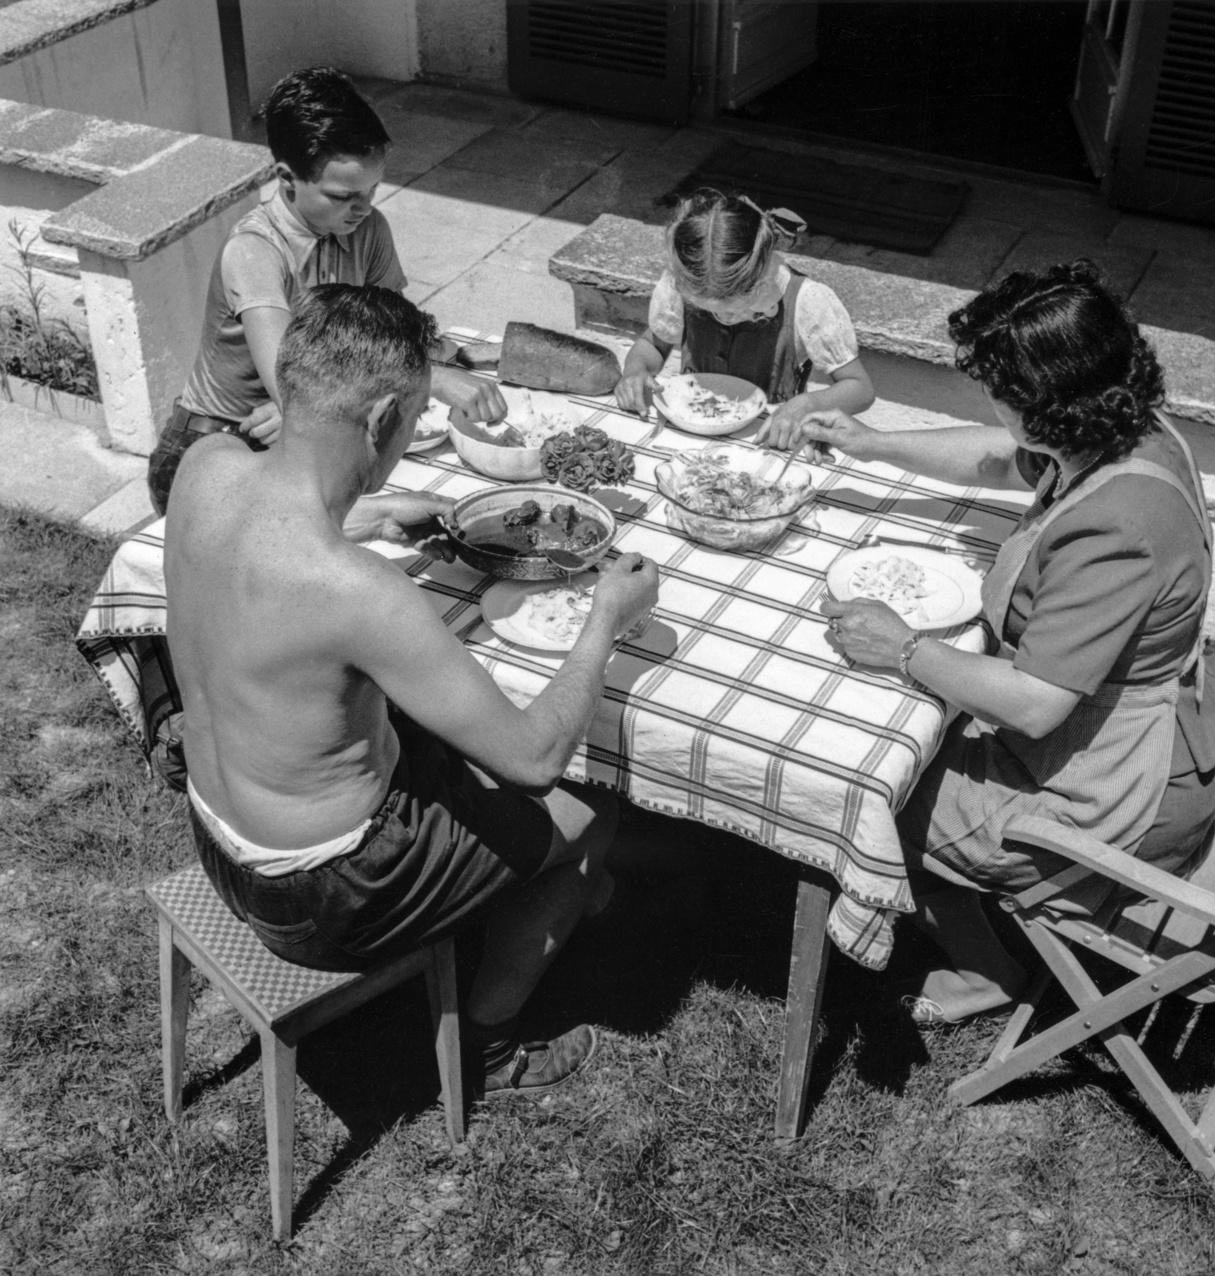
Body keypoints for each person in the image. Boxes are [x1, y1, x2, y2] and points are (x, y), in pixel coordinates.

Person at [164, 282, 659, 1095]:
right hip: (326, 896)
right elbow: (535, 759)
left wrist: (377, 511)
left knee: (433, 734)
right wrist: (606, 617)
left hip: (216, 834)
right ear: (383, 418)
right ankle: (494, 1048)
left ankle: (545, 893)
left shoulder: (204, 466)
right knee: (585, 810)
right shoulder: (358, 593)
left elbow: (271, 530)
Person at [764, 259, 1215, 1026]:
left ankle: (988, 967)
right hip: (1138, 726)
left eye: (1002, 396)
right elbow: (993, 455)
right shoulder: (1126, 428)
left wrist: (904, 647)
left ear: (1052, 408)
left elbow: (1038, 704)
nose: (992, 406)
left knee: (868, 790)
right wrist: (871, 442)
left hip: (1119, 787)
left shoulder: (1121, 524)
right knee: (896, 743)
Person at [146, 65, 504, 514]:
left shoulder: (369, 230)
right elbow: (291, 385)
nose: (363, 208)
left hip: (298, 431)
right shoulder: (255, 251)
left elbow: (389, 340)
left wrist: (307, 410)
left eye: (372, 190)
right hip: (212, 446)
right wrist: (435, 380)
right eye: (342, 196)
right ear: (287, 178)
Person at [614, 188, 875, 435]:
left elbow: (859, 389)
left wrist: (807, 405)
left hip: (768, 438)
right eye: (707, 310)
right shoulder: (681, 287)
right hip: (695, 429)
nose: (723, 319)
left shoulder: (806, 301)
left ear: (760, 279)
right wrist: (636, 370)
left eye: (736, 310)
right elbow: (653, 344)